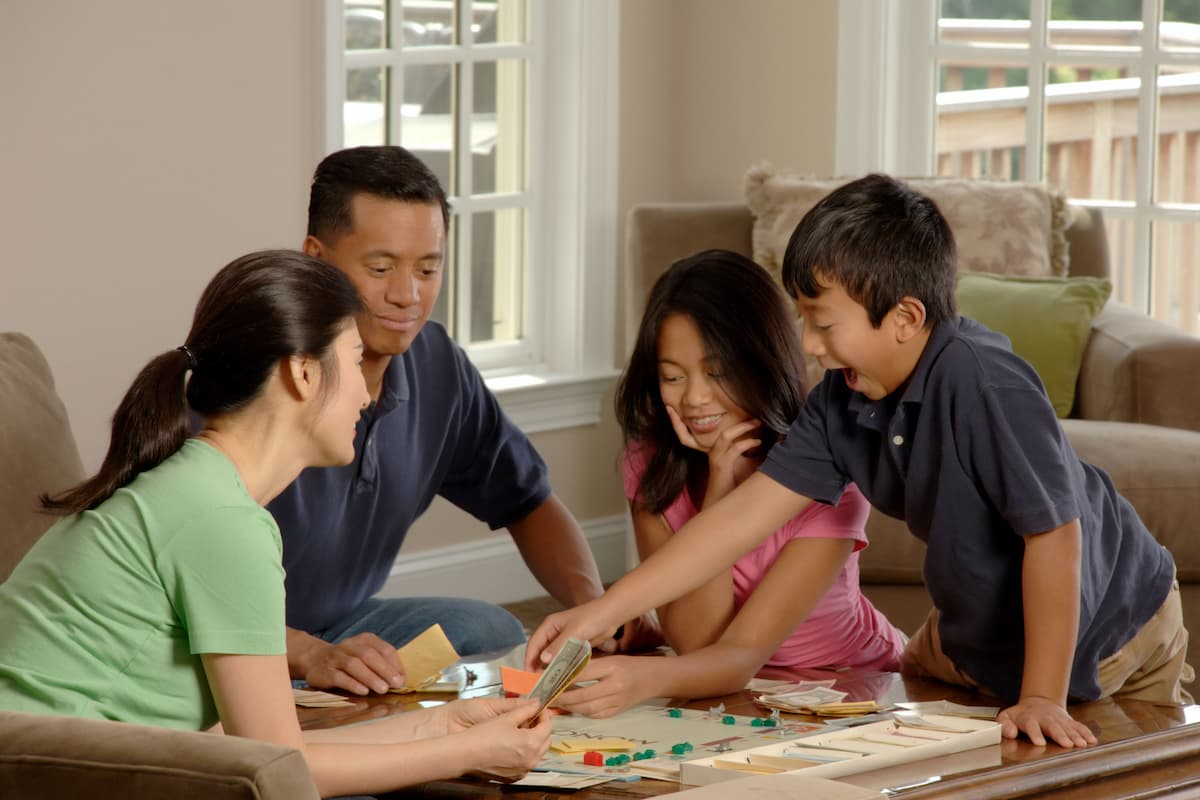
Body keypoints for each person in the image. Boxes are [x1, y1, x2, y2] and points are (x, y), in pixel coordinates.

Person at [527, 174, 1192, 749]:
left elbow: (1055, 536)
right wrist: (601, 611)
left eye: (822, 323)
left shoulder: (985, 381)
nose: (810, 347)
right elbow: (735, 525)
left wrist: (1043, 694)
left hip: (1109, 622)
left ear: (904, 317)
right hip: (975, 634)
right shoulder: (839, 405)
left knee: (1098, 766)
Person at [0, 251, 552, 796]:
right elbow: (280, 772)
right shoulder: (223, 521)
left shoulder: (197, 487)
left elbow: (249, 748)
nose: (365, 393)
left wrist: (440, 727)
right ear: (303, 372)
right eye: (356, 360)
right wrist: (469, 754)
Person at [269, 145, 655, 698]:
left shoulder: (435, 363)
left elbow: (528, 500)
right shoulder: (259, 377)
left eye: (428, 268)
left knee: (488, 629)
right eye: (380, 269)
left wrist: (591, 609)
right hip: (235, 641)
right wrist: (307, 654)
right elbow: (182, 593)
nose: (408, 295)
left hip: (340, 624)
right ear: (315, 258)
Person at [552, 250, 904, 719]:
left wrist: (645, 674)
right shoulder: (651, 463)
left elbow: (737, 653)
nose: (695, 398)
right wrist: (719, 486)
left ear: (763, 361)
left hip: (848, 682)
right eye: (673, 376)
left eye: (717, 373)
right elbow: (696, 641)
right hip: (728, 690)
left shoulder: (830, 472)